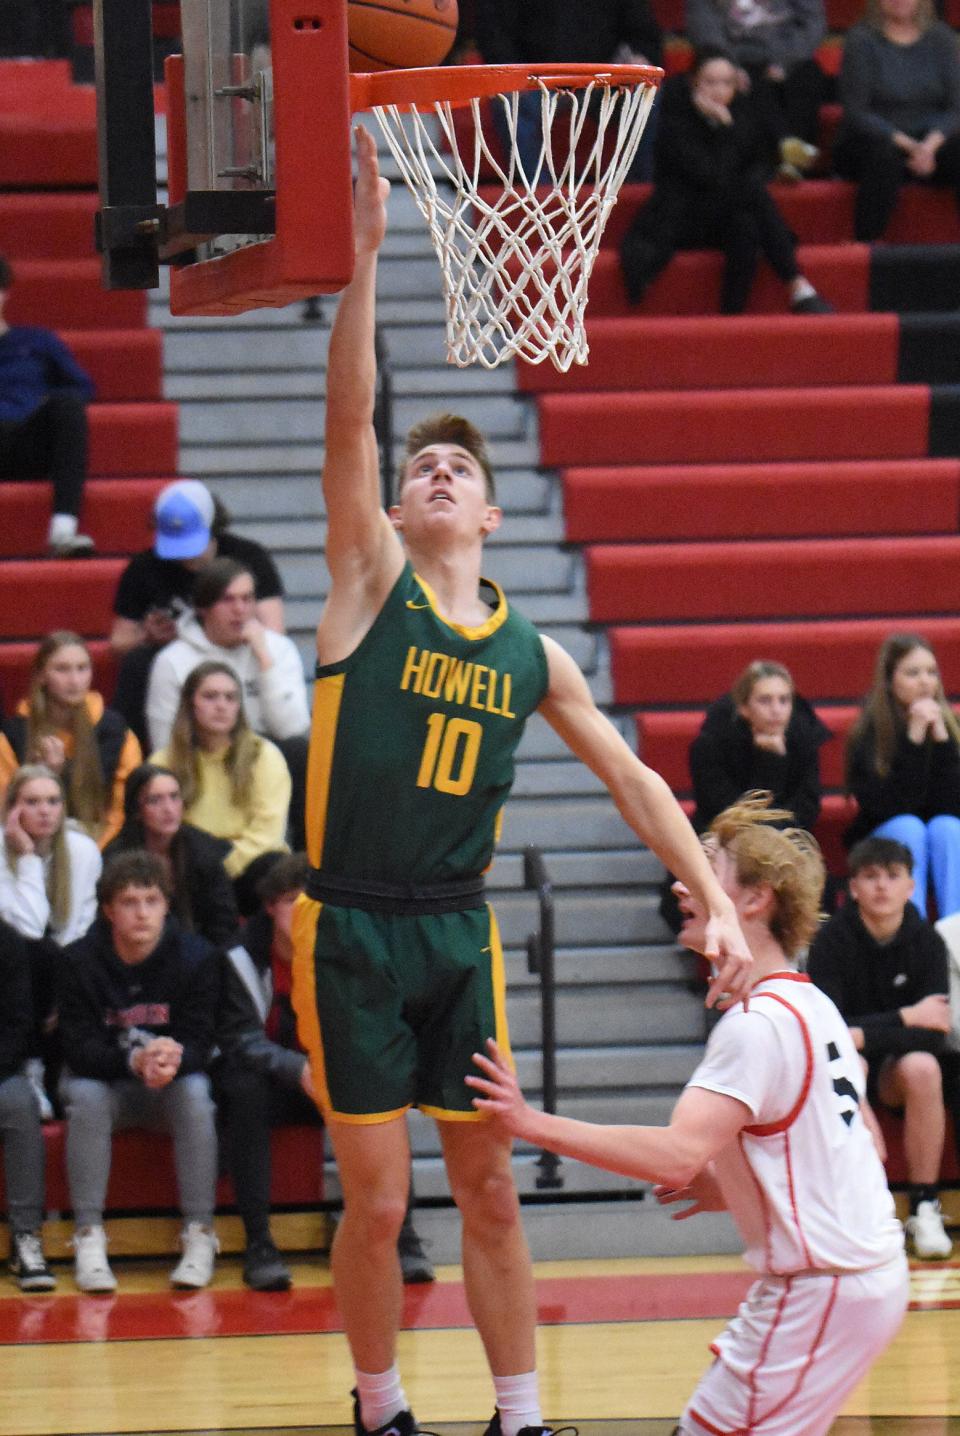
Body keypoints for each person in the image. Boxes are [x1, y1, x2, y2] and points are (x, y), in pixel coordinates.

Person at [290, 126, 752, 1436]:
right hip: (352, 925)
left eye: (463, 470)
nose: (437, 472)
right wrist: (367, 265)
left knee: (487, 1191)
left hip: (458, 928)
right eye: (421, 467)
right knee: (380, 1205)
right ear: (397, 505)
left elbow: (631, 778)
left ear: (491, 517)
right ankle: (380, 1405)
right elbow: (349, 418)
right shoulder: (367, 587)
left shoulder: (533, 651)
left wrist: (708, 894)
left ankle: (521, 1413)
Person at [468, 797, 909, 1436]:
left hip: (822, 1290)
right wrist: (743, 1187)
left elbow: (677, 1154)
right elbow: (861, 1144)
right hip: (854, 1283)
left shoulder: (757, 1025)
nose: (681, 883)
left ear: (754, 900)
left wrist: (528, 1122)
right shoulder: (812, 1005)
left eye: (705, 869)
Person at [216, 853, 435, 1291]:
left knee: (378, 1092)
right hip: (278, 1080)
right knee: (242, 1089)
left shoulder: (349, 954)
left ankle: (405, 1240)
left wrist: (338, 1069)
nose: (302, 911)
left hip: (336, 1075)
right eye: (293, 900)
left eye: (312, 902)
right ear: (270, 907)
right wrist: (298, 1069)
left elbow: (374, 1028)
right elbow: (241, 1039)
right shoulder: (240, 957)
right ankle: (260, 1243)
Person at [57, 850, 220, 1292]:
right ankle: (89, 1234)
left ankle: (200, 1232)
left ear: (167, 904)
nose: (142, 913)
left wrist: (174, 1057)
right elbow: (76, 1047)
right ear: (109, 910)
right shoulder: (78, 962)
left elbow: (204, 1039)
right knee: (85, 1095)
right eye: (129, 902)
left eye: (151, 900)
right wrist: (132, 1060)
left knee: (196, 1094)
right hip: (108, 1085)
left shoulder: (197, 957)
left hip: (168, 1087)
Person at [807, 835, 954, 1260]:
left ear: (911, 886)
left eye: (893, 876)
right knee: (849, 1058)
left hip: (894, 1072)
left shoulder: (927, 942)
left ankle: (924, 1204)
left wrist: (863, 1033)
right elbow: (827, 1032)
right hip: (843, 1067)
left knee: (924, 1066)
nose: (882, 887)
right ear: (852, 887)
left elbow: (935, 1032)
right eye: (870, 877)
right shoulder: (830, 941)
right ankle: (852, 1211)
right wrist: (905, 1018)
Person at [619, 51, 833, 315]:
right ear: (694, 82)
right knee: (751, 195)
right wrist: (724, 128)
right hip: (680, 219)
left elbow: (753, 169)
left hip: (725, 216)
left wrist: (727, 127)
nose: (719, 91)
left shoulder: (743, 114)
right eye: (710, 82)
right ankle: (797, 283)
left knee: (747, 227)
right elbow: (710, 175)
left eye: (726, 83)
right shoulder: (676, 120)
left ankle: (731, 316)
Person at [144, 559, 309, 850]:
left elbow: (292, 727)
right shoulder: (172, 661)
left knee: (299, 752)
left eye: (247, 599)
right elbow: (164, 744)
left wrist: (264, 659)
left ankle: (303, 863)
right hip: (199, 758)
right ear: (203, 608)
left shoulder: (278, 649)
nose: (240, 609)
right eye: (228, 600)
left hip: (259, 759)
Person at [110, 479, 286, 747]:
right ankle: (136, 757)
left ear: (213, 529)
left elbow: (274, 633)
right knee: (137, 663)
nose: (185, 557)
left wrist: (236, 628)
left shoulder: (250, 557)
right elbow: (118, 643)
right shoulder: (144, 567)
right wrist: (147, 636)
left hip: (237, 654)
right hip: (175, 662)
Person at [660, 658, 829, 934]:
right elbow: (726, 811)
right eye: (765, 700)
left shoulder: (803, 737)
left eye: (784, 700)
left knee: (804, 868)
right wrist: (770, 761)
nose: (776, 710)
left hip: (782, 842)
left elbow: (808, 808)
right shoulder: (712, 742)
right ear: (744, 707)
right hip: (724, 841)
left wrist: (774, 835)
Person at [0, 764, 102, 1118]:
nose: (45, 811)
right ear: (12, 808)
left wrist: (67, 981)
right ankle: (31, 1071)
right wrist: (26, 856)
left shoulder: (82, 850)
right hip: (11, 966)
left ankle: (58, 1074)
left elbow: (81, 927)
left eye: (53, 801)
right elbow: (25, 928)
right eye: (32, 801)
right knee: (35, 951)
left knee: (59, 958)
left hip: (65, 965)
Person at [151, 661, 291, 914]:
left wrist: (220, 869)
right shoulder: (163, 762)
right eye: (210, 696)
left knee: (274, 866)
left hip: (249, 865)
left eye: (230, 697)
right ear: (190, 704)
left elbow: (268, 833)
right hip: (191, 866)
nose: (221, 706)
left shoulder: (264, 755)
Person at [474, 0, 663, 181]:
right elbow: (492, 30)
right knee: (507, 102)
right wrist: (511, 72)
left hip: (603, 83)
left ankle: (636, 189)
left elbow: (643, 32)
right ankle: (539, 199)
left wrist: (640, 57)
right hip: (534, 83)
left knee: (646, 95)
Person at [844, 632, 960, 919]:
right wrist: (914, 741)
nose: (925, 681)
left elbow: (953, 805)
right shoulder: (868, 733)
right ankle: (912, 933)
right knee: (909, 828)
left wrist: (944, 742)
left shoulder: (952, 730)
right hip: (887, 831)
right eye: (912, 673)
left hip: (939, 834)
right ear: (889, 680)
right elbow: (888, 807)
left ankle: (955, 936)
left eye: (931, 672)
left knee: (948, 828)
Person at [0, 631, 142, 847]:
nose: (75, 680)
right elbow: (5, 810)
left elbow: (121, 812)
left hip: (103, 847)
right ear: (41, 675)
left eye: (82, 668)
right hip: (28, 847)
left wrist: (94, 852)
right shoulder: (13, 735)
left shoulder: (116, 732)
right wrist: (46, 777)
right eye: (62, 669)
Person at [834, 0, 960, 241]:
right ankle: (865, 245)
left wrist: (929, 146)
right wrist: (911, 146)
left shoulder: (941, 37)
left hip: (930, 141)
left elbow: (956, 108)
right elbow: (857, 112)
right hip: (875, 139)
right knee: (883, 157)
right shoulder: (860, 39)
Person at [0, 254, 96, 557]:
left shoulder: (37, 342)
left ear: (4, 292)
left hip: (26, 440)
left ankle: (63, 531)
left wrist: (42, 404)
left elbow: (82, 387)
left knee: (67, 406)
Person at [103, 763, 240, 949]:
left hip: (200, 954)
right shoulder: (115, 858)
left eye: (174, 797)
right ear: (136, 810)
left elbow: (223, 922)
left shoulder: (204, 850)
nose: (169, 809)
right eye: (155, 800)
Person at [685, 0, 827, 163]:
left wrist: (783, 62)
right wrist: (730, 65)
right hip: (734, 56)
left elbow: (812, 23)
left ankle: (797, 160)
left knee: (808, 76)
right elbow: (705, 28)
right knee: (743, 82)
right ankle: (784, 149)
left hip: (788, 54)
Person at [0, 916, 56, 1291]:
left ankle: (25, 1237)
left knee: (19, 1103)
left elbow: (19, 1028)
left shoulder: (7, 943)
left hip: (2, 1071)